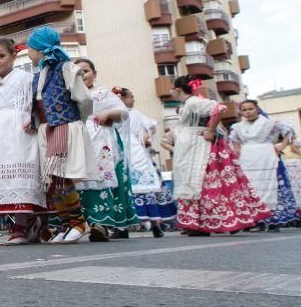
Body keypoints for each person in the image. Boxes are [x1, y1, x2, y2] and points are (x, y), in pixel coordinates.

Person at [171, 76, 269, 235]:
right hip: (190, 144)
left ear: (178, 90)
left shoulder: (193, 101)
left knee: (202, 181)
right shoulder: (188, 103)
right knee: (197, 182)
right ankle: (200, 223)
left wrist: (210, 130)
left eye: (172, 88)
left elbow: (218, 108)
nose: (171, 91)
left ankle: (207, 223)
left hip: (198, 145)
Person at [26, 27, 97, 244]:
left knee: (62, 177)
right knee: (54, 180)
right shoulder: (40, 74)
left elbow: (84, 100)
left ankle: (78, 222)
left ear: (40, 48)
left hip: (65, 127)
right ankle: (67, 223)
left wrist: (76, 123)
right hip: (48, 129)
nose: (28, 52)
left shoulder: (66, 68)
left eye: (30, 48)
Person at [0, 38, 45, 245]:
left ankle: (24, 226)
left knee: (21, 178)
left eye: (1, 56)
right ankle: (21, 225)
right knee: (3, 179)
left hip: (20, 130)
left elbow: (37, 103)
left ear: (13, 56)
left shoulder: (26, 78)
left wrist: (35, 120)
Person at [73, 59, 138, 241]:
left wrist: (108, 113)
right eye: (77, 72)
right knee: (79, 179)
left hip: (101, 141)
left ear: (95, 73)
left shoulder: (102, 93)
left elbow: (122, 112)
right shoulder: (70, 93)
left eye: (85, 70)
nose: (82, 75)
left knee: (99, 178)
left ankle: (99, 224)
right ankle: (76, 224)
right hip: (77, 139)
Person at [229, 100, 296, 231]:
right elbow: (234, 141)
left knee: (271, 186)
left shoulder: (270, 123)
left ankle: (272, 220)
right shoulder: (237, 126)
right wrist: (238, 153)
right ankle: (256, 220)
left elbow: (289, 131)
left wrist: (281, 146)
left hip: (267, 155)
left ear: (257, 109)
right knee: (251, 187)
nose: (248, 112)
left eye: (251, 109)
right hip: (247, 157)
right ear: (241, 112)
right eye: (245, 110)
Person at [117, 88, 174, 237]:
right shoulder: (132, 114)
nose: (133, 100)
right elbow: (152, 127)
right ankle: (155, 224)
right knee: (147, 186)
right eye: (131, 97)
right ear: (122, 98)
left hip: (124, 148)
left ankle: (123, 227)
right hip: (134, 149)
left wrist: (143, 138)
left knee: (126, 185)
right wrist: (143, 138)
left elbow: (152, 127)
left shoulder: (126, 114)